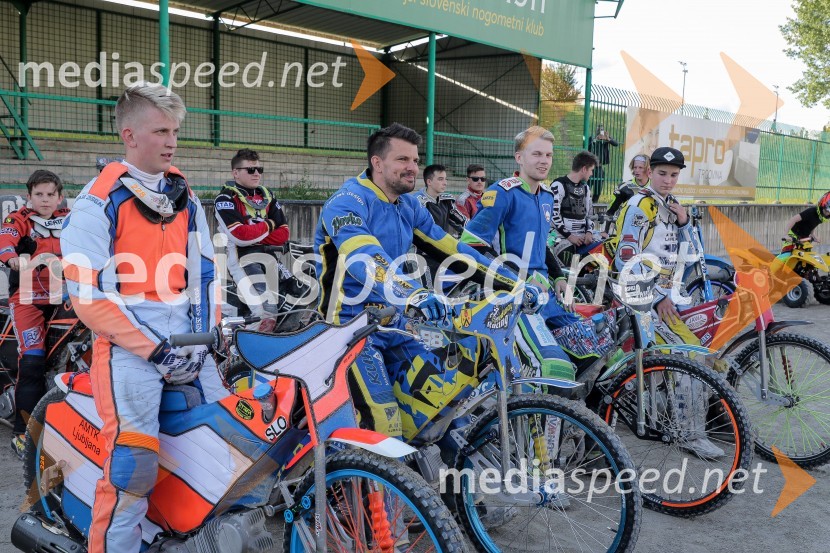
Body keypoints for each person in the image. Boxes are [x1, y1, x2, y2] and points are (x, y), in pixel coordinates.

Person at [61, 83, 227, 553]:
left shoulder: (182, 191)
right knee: (131, 469)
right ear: (130, 135)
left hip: (191, 341)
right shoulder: (97, 201)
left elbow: (206, 269)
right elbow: (86, 297)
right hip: (129, 353)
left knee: (227, 448)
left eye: (175, 130)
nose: (172, 141)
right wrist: (156, 350)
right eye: (161, 131)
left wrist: (206, 335)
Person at [315, 123, 538, 443]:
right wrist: (415, 294)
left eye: (416, 161)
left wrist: (511, 283)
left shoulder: (408, 206)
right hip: (350, 330)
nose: (413, 168)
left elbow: (453, 249)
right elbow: (365, 258)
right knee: (385, 424)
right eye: (403, 160)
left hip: (399, 323)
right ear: (377, 163)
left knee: (447, 398)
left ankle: (443, 486)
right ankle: (375, 487)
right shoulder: (347, 201)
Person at [609, 146, 724, 459]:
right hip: (636, 295)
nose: (668, 180)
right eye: (662, 173)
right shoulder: (640, 206)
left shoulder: (671, 205)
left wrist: (685, 221)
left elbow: (694, 252)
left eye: (674, 175)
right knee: (687, 356)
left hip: (662, 296)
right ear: (650, 171)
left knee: (701, 353)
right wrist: (658, 297)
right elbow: (625, 259)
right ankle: (689, 434)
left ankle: (682, 416)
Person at [461, 126, 585, 382]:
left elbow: (542, 245)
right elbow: (470, 242)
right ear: (519, 157)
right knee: (555, 367)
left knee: (590, 352)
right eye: (536, 154)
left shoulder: (548, 196)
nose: (544, 161)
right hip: (514, 297)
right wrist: (517, 278)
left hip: (546, 294)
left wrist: (559, 276)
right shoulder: (502, 193)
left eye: (548, 155)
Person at [0, 169, 68, 457]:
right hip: (27, 298)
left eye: (50, 194)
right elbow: (5, 241)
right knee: (32, 362)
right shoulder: (19, 220)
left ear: (60, 197)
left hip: (66, 293)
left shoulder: (70, 220)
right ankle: (21, 433)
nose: (45, 200)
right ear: (28, 197)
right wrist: (12, 258)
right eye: (38, 194)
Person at [214, 148, 291, 332]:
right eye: (250, 170)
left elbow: (284, 233)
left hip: (270, 258)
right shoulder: (225, 198)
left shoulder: (268, 195)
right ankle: (237, 353)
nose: (256, 173)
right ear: (236, 173)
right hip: (241, 260)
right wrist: (270, 225)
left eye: (259, 169)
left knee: (296, 297)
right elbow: (240, 236)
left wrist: (255, 234)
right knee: (266, 311)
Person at [550, 150, 601, 256]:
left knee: (604, 248)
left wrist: (589, 232)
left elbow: (590, 214)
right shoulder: (558, 185)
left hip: (582, 237)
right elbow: (553, 214)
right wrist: (570, 236)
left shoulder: (586, 188)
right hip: (560, 237)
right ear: (584, 169)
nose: (591, 173)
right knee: (567, 255)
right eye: (591, 170)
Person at [412, 164, 466, 237]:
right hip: (423, 246)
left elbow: (462, 222)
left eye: (445, 179)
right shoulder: (417, 202)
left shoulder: (446, 200)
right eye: (440, 179)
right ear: (429, 182)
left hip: (443, 245)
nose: (445, 183)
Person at [606, 153, 651, 220]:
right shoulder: (623, 187)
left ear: (648, 169)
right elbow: (610, 213)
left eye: (641, 168)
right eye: (635, 167)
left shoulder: (655, 188)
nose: (637, 170)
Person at [588, 124, 619, 202]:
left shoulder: (605, 139)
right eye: (599, 129)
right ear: (596, 130)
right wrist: (595, 139)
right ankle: (587, 204)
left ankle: (594, 203)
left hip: (600, 167)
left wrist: (608, 139)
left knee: (598, 190)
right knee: (587, 188)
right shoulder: (592, 138)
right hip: (590, 167)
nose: (600, 131)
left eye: (602, 129)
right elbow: (587, 147)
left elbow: (616, 144)